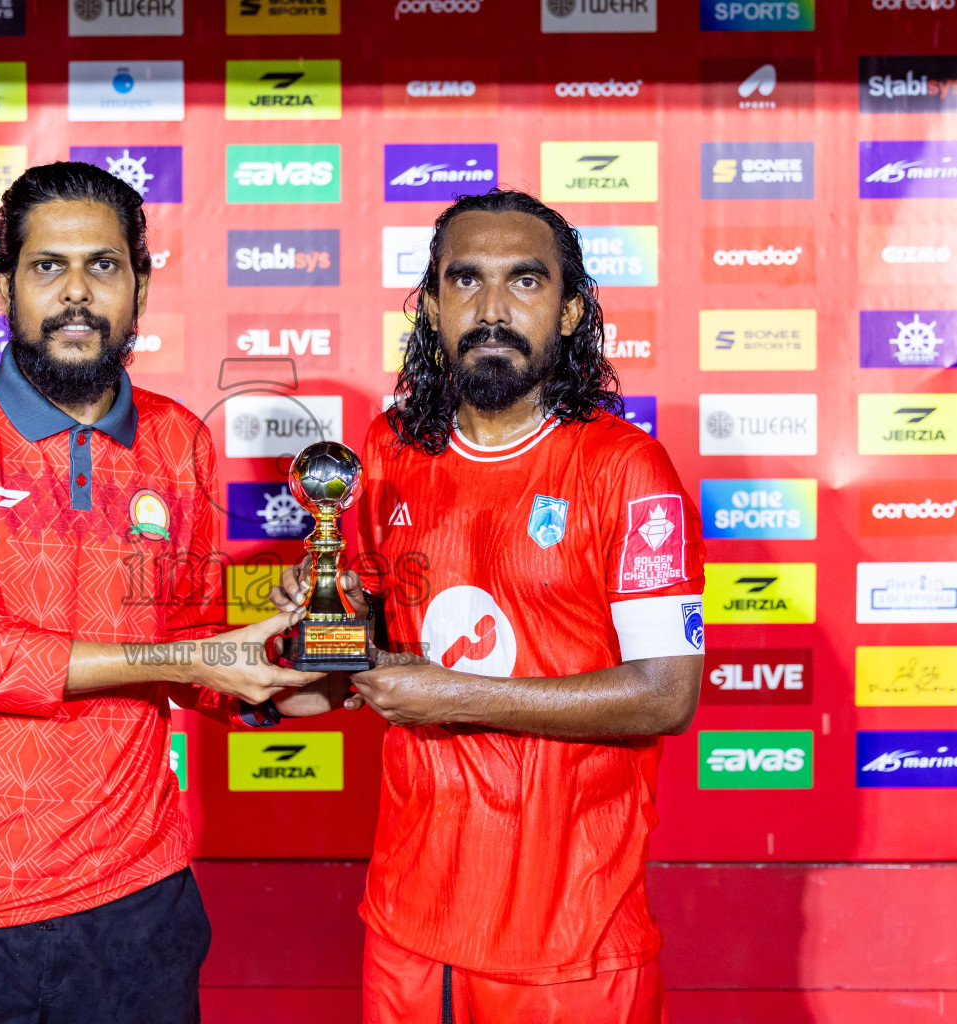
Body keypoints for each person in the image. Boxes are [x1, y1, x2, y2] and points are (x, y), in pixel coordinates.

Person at [0, 162, 331, 1024]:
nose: (76, 293)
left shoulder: (177, 438)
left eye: (104, 266)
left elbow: (191, 656)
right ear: (5, 285)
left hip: (137, 897)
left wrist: (297, 673)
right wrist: (200, 654)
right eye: (48, 267)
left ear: (142, 287)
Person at [271, 189, 705, 1023]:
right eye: (465, 281)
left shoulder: (628, 470)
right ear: (432, 307)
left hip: (569, 938)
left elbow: (666, 692)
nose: (493, 309)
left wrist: (452, 694)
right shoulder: (388, 450)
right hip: (409, 922)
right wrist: (322, 619)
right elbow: (367, 646)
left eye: (526, 282)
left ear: (573, 310)